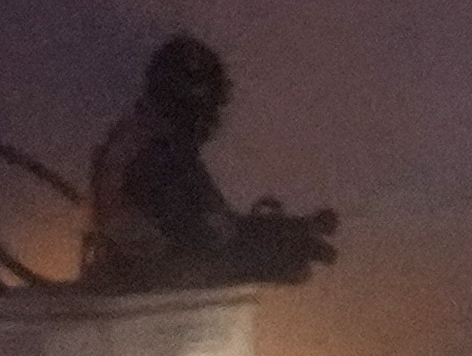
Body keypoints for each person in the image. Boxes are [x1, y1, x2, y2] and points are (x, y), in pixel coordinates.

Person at [81, 35, 338, 289]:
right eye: (209, 105)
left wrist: (295, 227)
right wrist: (280, 254)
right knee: (287, 267)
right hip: (148, 286)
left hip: (133, 274)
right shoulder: (156, 157)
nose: (213, 118)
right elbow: (208, 239)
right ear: (188, 103)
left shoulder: (143, 140)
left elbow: (216, 225)